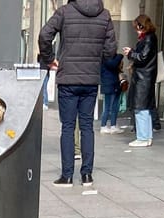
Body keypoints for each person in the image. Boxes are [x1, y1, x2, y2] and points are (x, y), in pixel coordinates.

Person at [38, 0, 116, 187]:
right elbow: (111, 50)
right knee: (87, 126)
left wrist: (49, 59)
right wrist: (97, 60)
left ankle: (67, 176)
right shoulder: (104, 15)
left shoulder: (65, 12)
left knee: (68, 127)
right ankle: (87, 174)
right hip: (90, 80)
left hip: (68, 79)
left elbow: (44, 35)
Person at [124, 14, 158, 147]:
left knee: (140, 108)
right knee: (145, 108)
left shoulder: (148, 38)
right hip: (146, 77)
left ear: (141, 25)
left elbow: (143, 57)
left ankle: (143, 137)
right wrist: (132, 52)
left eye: (137, 27)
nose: (136, 30)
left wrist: (131, 53)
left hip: (143, 78)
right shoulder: (150, 38)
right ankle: (146, 137)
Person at [99, 52, 123, 133]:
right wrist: (120, 56)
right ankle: (103, 125)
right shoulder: (106, 57)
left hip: (114, 83)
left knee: (114, 107)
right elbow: (112, 64)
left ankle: (113, 125)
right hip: (109, 84)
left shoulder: (109, 57)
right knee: (107, 107)